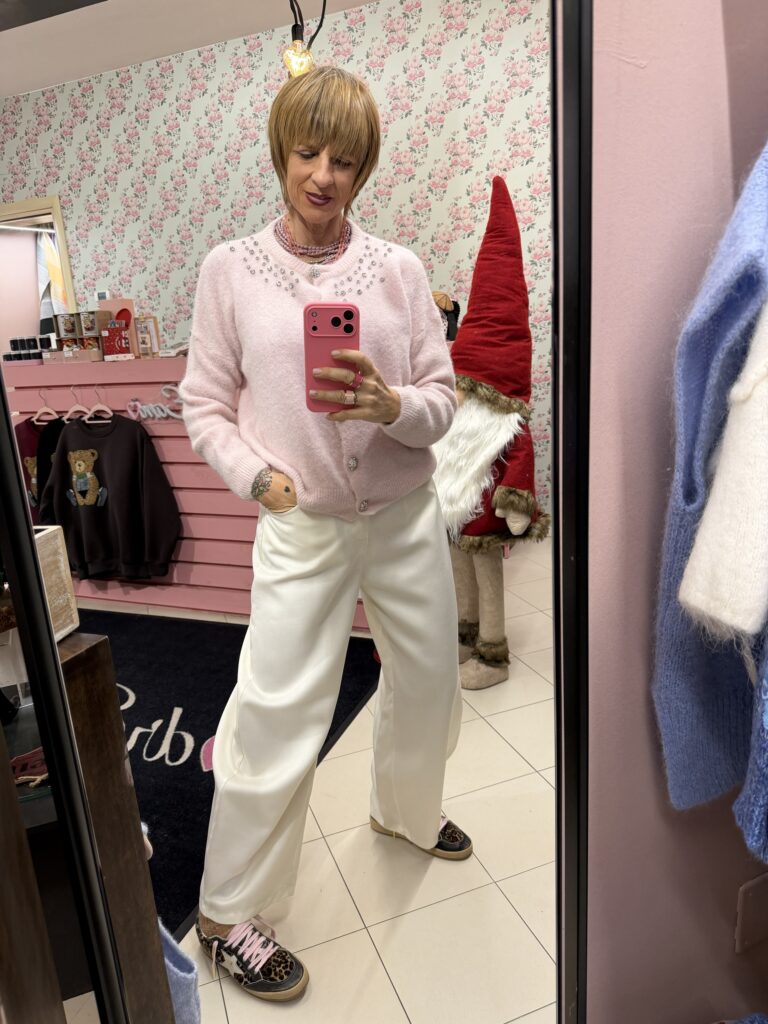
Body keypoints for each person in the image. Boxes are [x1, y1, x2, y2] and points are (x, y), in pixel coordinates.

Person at [179, 65, 470, 1003]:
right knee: (276, 708)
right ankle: (227, 911)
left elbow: (442, 400)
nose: (323, 176)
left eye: (344, 160)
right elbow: (203, 403)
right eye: (308, 153)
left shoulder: (399, 271)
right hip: (298, 522)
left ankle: (405, 812)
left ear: (363, 168)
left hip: (402, 515)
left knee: (428, 677)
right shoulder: (229, 271)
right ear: (281, 152)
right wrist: (254, 477)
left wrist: (393, 406)